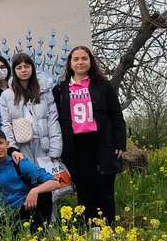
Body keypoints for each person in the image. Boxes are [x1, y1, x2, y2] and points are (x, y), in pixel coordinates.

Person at [51, 46, 126, 227]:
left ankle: (108, 227)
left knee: (105, 187)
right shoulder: (60, 90)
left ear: (90, 61)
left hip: (101, 143)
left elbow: (116, 115)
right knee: (84, 189)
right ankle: (92, 227)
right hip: (76, 145)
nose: (80, 62)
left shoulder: (102, 85)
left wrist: (120, 143)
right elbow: (57, 120)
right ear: (70, 63)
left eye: (84, 58)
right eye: (76, 59)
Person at [0, 129, 63, 227]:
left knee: (44, 194)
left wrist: (34, 191)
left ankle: (40, 233)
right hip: (3, 217)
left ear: (7, 144)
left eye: (0, 143)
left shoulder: (19, 163)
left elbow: (55, 183)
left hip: (25, 210)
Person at [0, 53, 64, 174]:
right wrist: (12, 149)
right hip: (21, 145)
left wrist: (55, 150)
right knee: (28, 180)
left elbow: (53, 120)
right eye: (19, 67)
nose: (23, 70)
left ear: (32, 69)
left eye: (27, 66)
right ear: (14, 71)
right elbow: (6, 123)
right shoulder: (6, 95)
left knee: (47, 182)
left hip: (44, 144)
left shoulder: (45, 92)